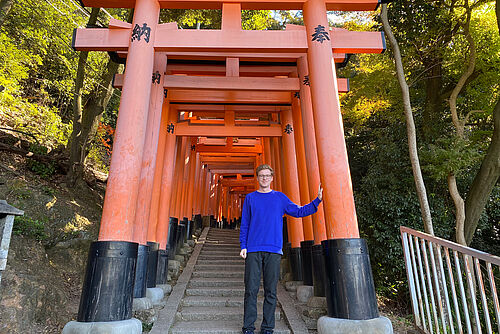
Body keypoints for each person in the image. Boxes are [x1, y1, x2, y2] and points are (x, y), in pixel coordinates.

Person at [239, 164, 323, 334]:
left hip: (274, 249)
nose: (264, 178)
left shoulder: (280, 198)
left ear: (272, 178)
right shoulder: (250, 198)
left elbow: (298, 211)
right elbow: (245, 224)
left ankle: (267, 327)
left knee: (271, 291)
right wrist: (243, 246)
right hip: (253, 249)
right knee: (251, 290)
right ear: (257, 177)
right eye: (261, 175)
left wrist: (317, 201)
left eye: (267, 175)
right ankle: (248, 327)